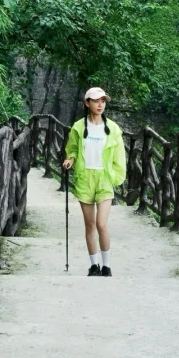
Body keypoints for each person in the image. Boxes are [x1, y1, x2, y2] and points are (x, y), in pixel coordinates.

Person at [62, 86, 126, 276]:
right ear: (87, 103)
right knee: (89, 224)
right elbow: (72, 149)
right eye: (96, 101)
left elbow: (120, 157)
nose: (100, 104)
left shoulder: (113, 129)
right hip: (85, 177)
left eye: (103, 101)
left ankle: (107, 265)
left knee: (101, 224)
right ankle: (94, 265)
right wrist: (69, 160)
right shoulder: (78, 127)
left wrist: (114, 177)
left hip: (104, 179)